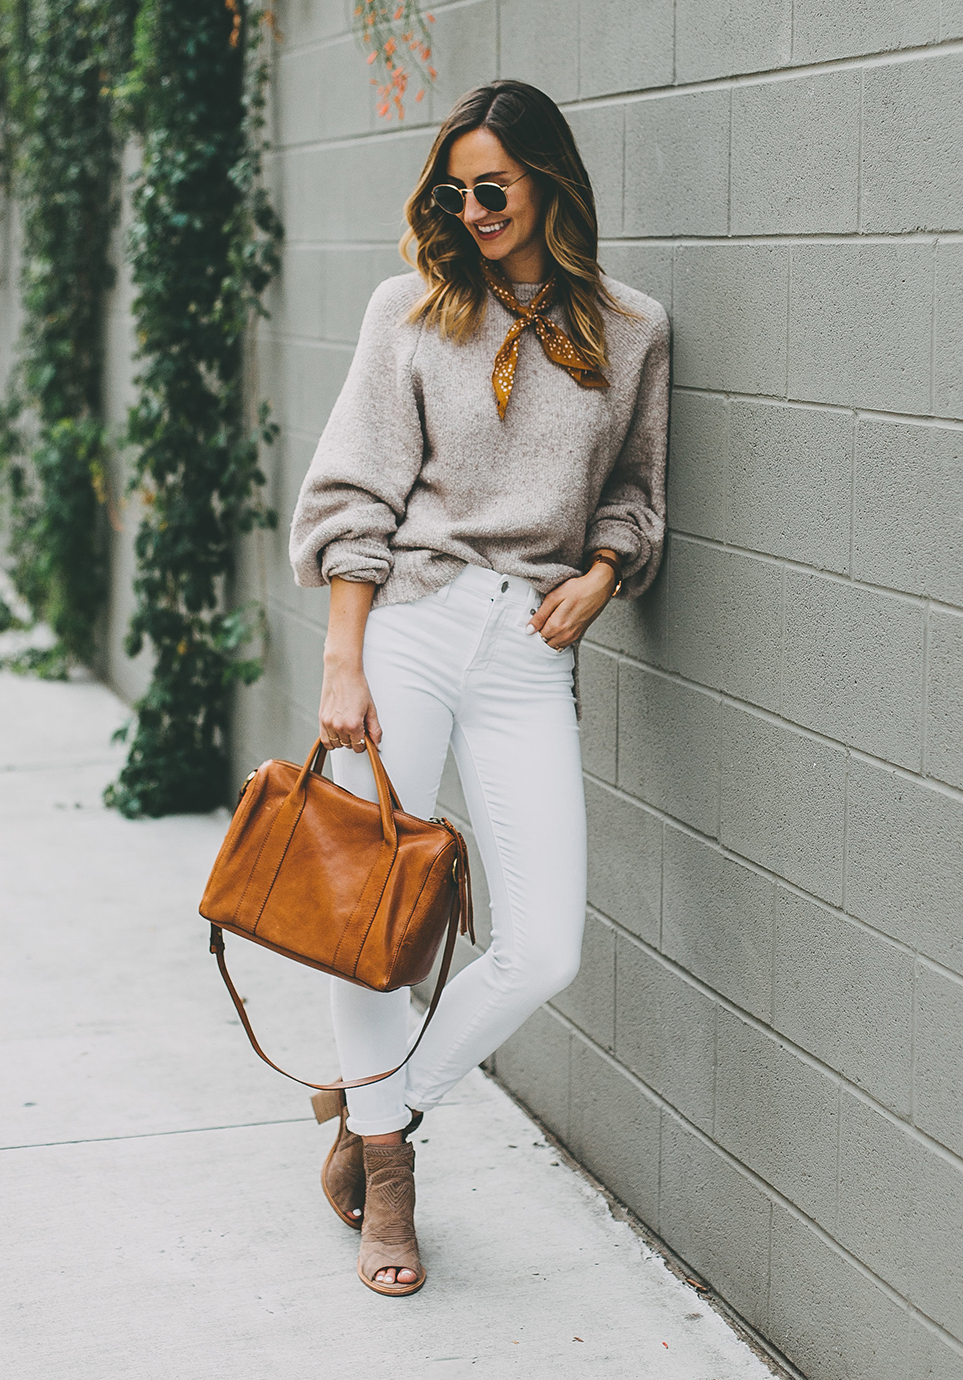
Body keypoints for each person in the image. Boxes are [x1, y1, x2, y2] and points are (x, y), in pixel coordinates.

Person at [289, 79, 669, 1296]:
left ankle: (370, 1103)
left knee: (544, 943)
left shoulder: (631, 328)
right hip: (403, 627)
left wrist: (605, 571)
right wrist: (343, 661)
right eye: (453, 190)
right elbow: (357, 493)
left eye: (491, 187)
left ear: (549, 181)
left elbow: (636, 493)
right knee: (366, 929)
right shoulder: (409, 309)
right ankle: (389, 1177)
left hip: (526, 652)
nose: (471, 208)